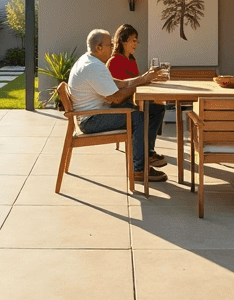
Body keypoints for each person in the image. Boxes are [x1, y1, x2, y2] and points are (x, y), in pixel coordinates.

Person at [69, 28, 169, 183]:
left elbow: (119, 83)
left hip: (96, 114)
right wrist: (138, 85)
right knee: (138, 117)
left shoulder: (90, 61)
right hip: (91, 120)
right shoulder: (93, 66)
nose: (113, 47)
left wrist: (143, 78)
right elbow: (116, 99)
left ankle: (147, 154)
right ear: (98, 47)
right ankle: (139, 170)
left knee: (154, 109)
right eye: (110, 44)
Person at [105, 23, 169, 168]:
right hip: (121, 105)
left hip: (132, 100)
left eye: (136, 40)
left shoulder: (131, 61)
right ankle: (146, 152)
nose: (136, 44)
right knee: (149, 110)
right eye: (133, 40)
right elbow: (117, 92)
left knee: (158, 108)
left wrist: (151, 77)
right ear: (123, 40)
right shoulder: (114, 62)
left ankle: (148, 150)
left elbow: (137, 82)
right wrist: (144, 79)